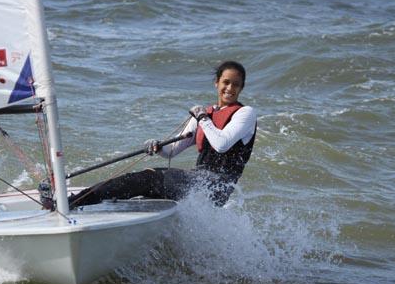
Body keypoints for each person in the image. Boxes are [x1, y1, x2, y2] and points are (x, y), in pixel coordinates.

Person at [69, 61, 257, 208]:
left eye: (236, 85)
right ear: (216, 83)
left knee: (150, 177)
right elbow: (171, 151)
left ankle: (77, 200)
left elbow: (221, 144)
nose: (230, 89)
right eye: (226, 82)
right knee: (145, 184)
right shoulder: (205, 115)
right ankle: (88, 199)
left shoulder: (245, 113)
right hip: (197, 182)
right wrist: (158, 146)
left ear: (242, 88)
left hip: (215, 189)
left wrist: (202, 118)